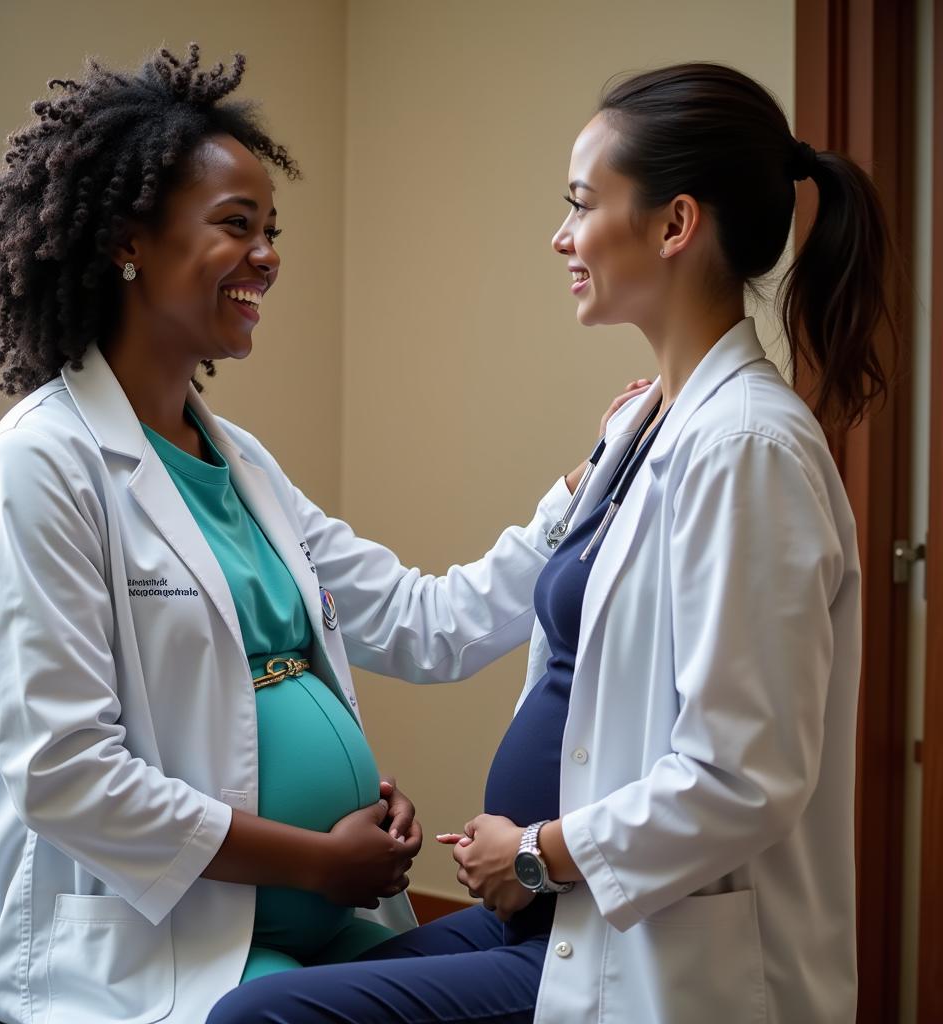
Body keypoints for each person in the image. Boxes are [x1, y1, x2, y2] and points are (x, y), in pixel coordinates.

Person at [0, 45, 638, 1024]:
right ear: (126, 241)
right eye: (237, 226)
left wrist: (577, 491)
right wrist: (317, 855)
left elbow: (423, 622)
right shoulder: (39, 469)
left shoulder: (242, 465)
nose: (268, 255)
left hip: (303, 910)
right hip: (153, 940)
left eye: (272, 230)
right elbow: (67, 776)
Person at [207, 62, 891, 1024]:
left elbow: (744, 777)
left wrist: (537, 850)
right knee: (282, 989)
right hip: (561, 914)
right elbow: (477, 615)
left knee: (259, 1020)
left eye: (581, 204)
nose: (562, 236)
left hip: (645, 944)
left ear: (674, 224)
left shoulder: (747, 449)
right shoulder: (647, 427)